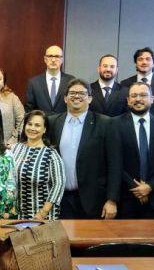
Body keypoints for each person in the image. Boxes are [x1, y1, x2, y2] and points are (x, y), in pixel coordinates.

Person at [47, 79, 121, 219]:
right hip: (60, 199)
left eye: (82, 93)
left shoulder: (106, 123)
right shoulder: (52, 122)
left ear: (90, 98)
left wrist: (112, 200)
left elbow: (115, 164)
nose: (77, 96)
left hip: (94, 200)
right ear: (65, 98)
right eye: (72, 93)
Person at [116, 82, 154, 218]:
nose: (138, 99)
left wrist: (150, 186)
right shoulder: (115, 124)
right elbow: (113, 162)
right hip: (126, 199)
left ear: (152, 99)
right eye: (134, 95)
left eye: (143, 95)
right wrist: (137, 188)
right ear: (128, 100)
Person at [10, 111, 65, 220]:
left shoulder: (51, 153)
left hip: (43, 217)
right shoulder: (14, 149)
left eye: (37, 125)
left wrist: (43, 212)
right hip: (17, 216)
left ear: (44, 129)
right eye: (29, 124)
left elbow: (59, 185)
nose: (32, 128)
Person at [120, 47, 154, 123]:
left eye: (148, 59)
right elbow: (122, 111)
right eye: (140, 59)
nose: (144, 62)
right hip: (130, 129)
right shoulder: (125, 84)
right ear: (136, 63)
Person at [24, 45, 75, 115]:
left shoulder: (71, 81)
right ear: (45, 59)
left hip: (63, 124)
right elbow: (29, 109)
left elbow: (74, 105)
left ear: (62, 60)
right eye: (50, 56)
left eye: (57, 56)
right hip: (42, 124)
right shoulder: (34, 83)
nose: (53, 60)